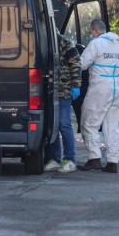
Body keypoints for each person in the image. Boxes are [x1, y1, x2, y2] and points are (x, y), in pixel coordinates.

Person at [78, 20, 119, 173]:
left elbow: (82, 64)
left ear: (94, 31)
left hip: (99, 87)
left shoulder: (95, 44)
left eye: (92, 32)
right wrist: (115, 70)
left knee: (89, 123)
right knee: (112, 126)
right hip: (117, 87)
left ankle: (94, 158)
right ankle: (112, 162)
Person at [44, 32, 82, 173]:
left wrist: (76, 85)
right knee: (52, 124)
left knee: (63, 124)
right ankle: (55, 158)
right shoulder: (44, 39)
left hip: (63, 90)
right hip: (49, 91)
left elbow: (76, 63)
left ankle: (69, 159)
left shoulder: (64, 42)